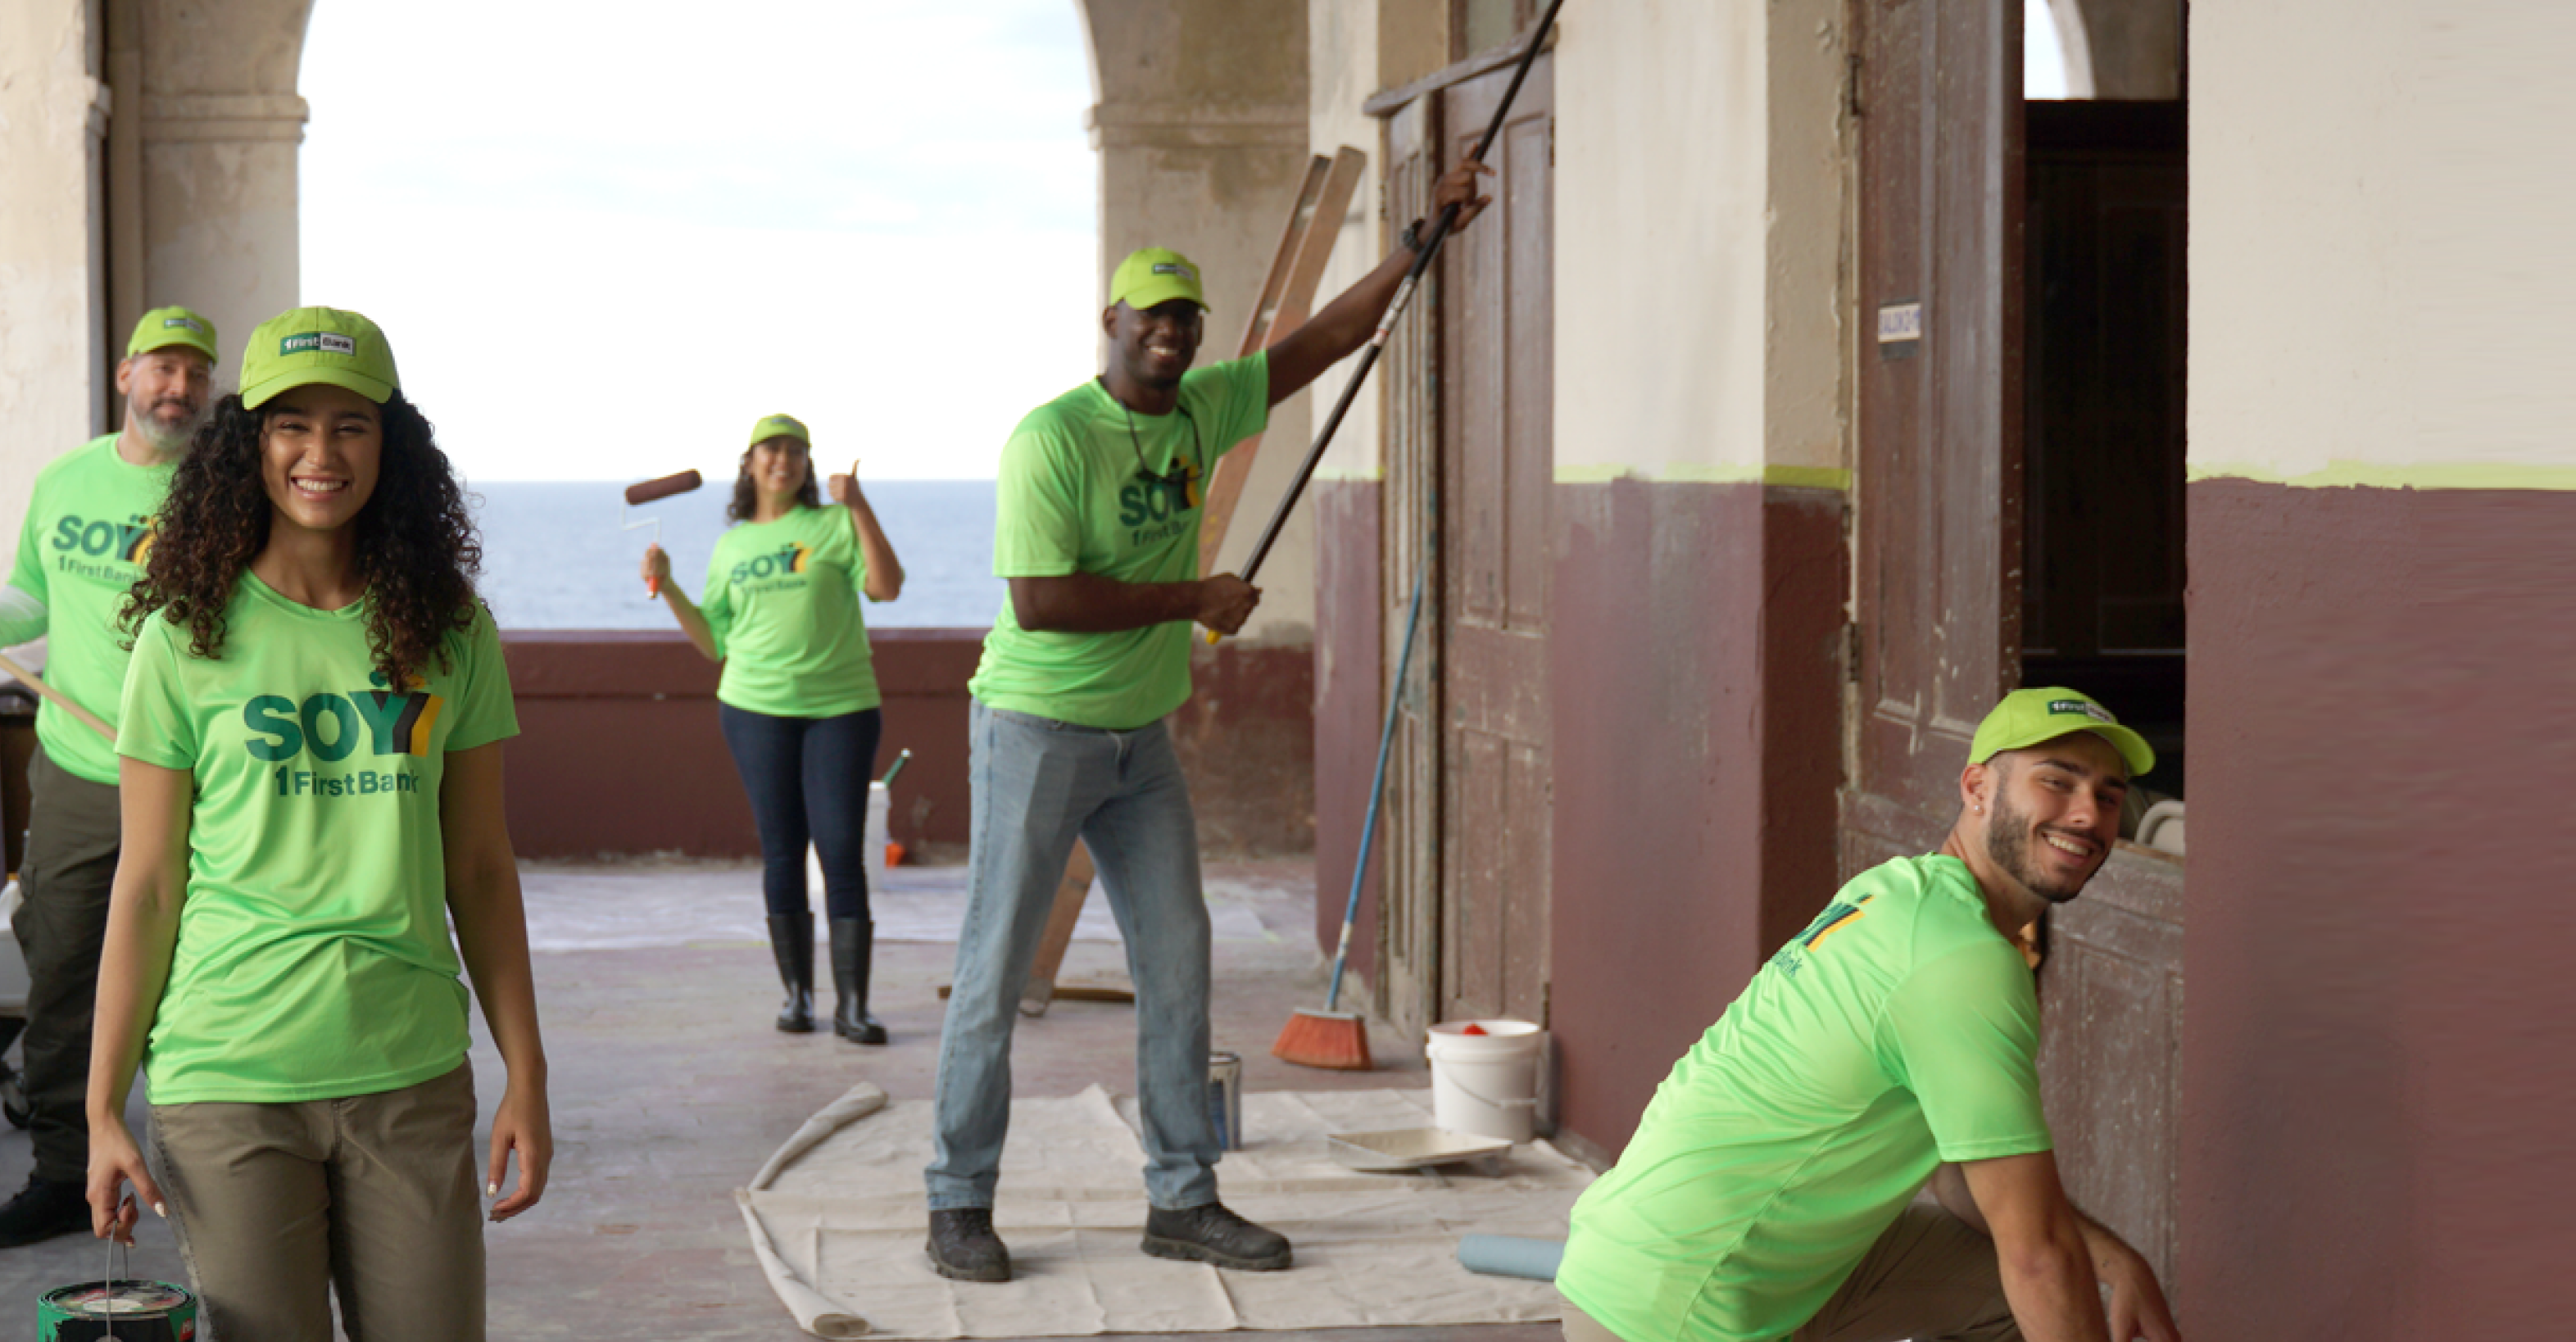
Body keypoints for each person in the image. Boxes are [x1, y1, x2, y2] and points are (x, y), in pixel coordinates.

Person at [921, 159, 1496, 1281]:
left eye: (1188, 319)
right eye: (1156, 317)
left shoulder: (1204, 407)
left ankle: (1182, 1197)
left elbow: (1328, 338)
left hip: (1141, 744)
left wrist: (1426, 236)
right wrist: (1196, 596)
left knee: (1179, 959)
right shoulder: (1051, 439)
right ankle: (955, 1201)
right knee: (992, 970)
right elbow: (1041, 604)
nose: (1174, 335)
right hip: (1036, 728)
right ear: (1112, 321)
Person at [82, 306, 551, 1342]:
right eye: (291, 423)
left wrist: (528, 1071)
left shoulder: (452, 631)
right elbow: (149, 884)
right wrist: (103, 1106)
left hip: (408, 1071)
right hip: (228, 1076)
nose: (320, 453)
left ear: (393, 444)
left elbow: (478, 866)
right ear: (249, 441)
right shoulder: (182, 638)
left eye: (351, 424)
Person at [1554, 690, 2187, 1342]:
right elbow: (2035, 1257)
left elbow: (1958, 1177)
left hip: (1667, 1266)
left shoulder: (1897, 889)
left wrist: (2117, 1262)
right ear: (1977, 787)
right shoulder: (1959, 958)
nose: (2086, 814)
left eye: (2108, 798)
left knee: (2076, 1281)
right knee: (2048, 1276)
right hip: (1676, 1313)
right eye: (2056, 781)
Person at [0, 306, 215, 1249]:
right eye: (161, 369)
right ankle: (59, 1173)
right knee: (61, 974)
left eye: (194, 375)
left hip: (200, 770)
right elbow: (29, 599)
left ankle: (210, 1167)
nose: (177, 389)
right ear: (125, 375)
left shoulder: (225, 488)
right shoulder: (64, 479)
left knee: (203, 974)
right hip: (84, 772)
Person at [643, 413, 908, 1045]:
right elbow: (713, 642)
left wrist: (862, 507)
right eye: (771, 449)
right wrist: (669, 582)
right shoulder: (731, 545)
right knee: (782, 848)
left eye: (794, 450)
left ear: (806, 464)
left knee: (841, 849)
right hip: (753, 709)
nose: (782, 460)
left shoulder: (833, 524)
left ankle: (854, 1007)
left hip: (840, 707)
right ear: (750, 463)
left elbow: (887, 588)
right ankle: (798, 997)